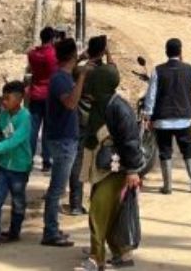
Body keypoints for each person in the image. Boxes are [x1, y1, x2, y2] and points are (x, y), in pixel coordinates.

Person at [80, 63, 144, 270]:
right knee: (111, 211)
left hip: (116, 168)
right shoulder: (100, 103)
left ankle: (95, 258)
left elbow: (131, 141)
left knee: (98, 210)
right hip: (101, 166)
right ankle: (122, 254)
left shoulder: (120, 108)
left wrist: (133, 171)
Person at [41, 37, 90, 247]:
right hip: (63, 141)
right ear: (71, 56)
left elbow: (72, 62)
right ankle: (50, 232)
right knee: (57, 189)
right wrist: (82, 78)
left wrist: (82, 59)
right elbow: (70, 103)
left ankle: (53, 228)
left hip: (61, 138)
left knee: (58, 187)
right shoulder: (61, 79)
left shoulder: (61, 74)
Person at [142, 37, 191, 195]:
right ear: (180, 52)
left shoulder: (157, 71)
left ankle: (167, 186)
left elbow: (151, 96)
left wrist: (148, 115)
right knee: (188, 149)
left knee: (165, 151)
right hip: (183, 119)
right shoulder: (190, 69)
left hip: (162, 120)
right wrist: (183, 61)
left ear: (166, 52)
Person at [67, 35, 118, 216]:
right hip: (99, 122)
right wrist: (109, 53)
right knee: (102, 159)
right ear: (103, 51)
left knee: (78, 161)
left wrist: (83, 56)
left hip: (80, 118)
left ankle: (75, 203)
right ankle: (98, 201)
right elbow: (114, 71)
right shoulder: (106, 72)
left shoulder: (80, 70)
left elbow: (70, 67)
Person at [0, 80, 33, 249]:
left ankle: (14, 232)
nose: (4, 101)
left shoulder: (25, 118)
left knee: (18, 203)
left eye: (7, 98)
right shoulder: (3, 115)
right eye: (3, 98)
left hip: (19, 168)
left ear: (19, 99)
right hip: (3, 167)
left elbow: (13, 142)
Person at [26, 26, 59, 172]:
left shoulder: (33, 54)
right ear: (52, 39)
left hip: (35, 93)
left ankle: (28, 159)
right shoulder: (53, 54)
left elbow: (30, 65)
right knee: (48, 129)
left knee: (33, 129)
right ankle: (46, 160)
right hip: (49, 95)